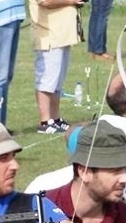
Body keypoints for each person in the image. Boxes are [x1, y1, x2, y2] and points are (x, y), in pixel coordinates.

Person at [30, 0, 82, 134]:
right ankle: (45, 121)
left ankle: (55, 118)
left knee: (57, 81)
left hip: (63, 35)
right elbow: (45, 2)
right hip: (49, 35)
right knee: (47, 78)